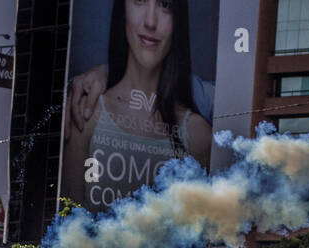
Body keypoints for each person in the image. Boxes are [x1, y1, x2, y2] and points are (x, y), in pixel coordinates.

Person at [61, 0, 213, 216]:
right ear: (122, 9)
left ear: (178, 19)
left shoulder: (198, 136)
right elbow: (66, 229)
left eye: (166, 5)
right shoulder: (86, 113)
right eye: (139, 1)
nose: (150, 22)